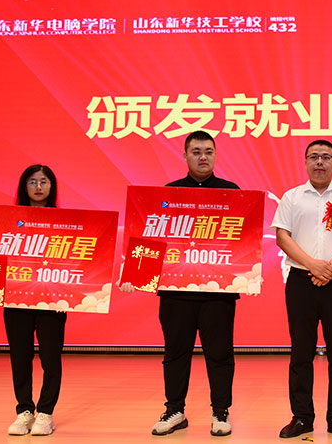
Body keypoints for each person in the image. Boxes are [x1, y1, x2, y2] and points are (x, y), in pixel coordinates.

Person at [121, 130, 240, 437]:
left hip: (217, 292)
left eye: (209, 151)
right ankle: (175, 410)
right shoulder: (168, 194)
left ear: (216, 155)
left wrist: (248, 271)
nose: (203, 157)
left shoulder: (232, 192)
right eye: (196, 152)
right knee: (175, 353)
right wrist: (135, 273)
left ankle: (220, 411)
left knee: (220, 353)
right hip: (176, 291)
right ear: (185, 156)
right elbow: (152, 237)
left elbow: (242, 242)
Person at [272, 140, 332, 440]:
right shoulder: (291, 197)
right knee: (301, 352)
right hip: (301, 282)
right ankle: (301, 417)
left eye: (326, 157)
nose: (320, 162)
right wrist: (313, 265)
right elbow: (282, 237)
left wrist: (330, 268)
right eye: (314, 157)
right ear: (305, 162)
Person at [0, 164, 65, 436]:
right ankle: (24, 411)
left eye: (44, 181)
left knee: (50, 357)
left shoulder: (66, 222)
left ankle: (46, 413)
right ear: (23, 186)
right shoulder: (6, 220)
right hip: (17, 299)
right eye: (32, 181)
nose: (38, 187)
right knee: (20, 356)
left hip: (53, 300)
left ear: (52, 186)